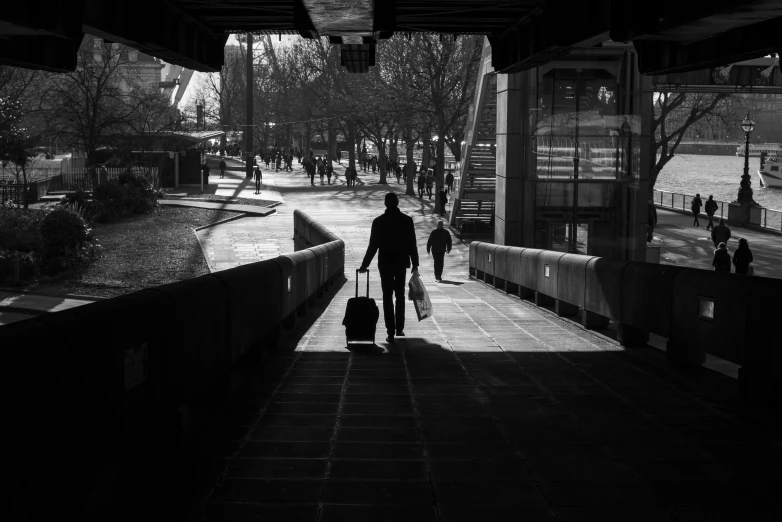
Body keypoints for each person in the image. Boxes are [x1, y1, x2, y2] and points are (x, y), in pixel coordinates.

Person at [359, 193, 419, 344]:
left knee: (387, 296)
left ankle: (390, 331)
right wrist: (415, 263)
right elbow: (412, 243)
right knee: (400, 295)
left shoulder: (379, 222)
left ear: (385, 204)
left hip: (385, 263)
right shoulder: (407, 221)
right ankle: (399, 327)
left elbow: (373, 246)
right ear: (397, 203)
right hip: (401, 263)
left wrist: (365, 264)